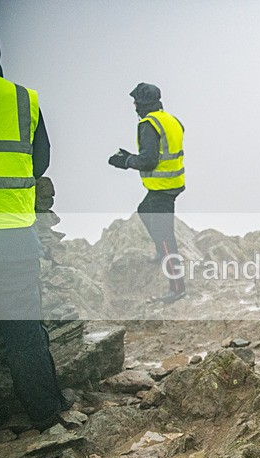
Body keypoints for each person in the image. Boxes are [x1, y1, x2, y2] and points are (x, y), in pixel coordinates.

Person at [0, 29, 74, 430]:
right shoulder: (22, 99)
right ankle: (45, 412)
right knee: (24, 329)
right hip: (12, 232)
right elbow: (38, 162)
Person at [108, 83, 186, 304]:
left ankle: (177, 288)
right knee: (143, 210)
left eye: (136, 103)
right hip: (172, 182)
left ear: (143, 104)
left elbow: (149, 160)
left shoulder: (148, 125)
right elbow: (161, 153)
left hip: (162, 188)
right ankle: (162, 253)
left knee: (165, 237)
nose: (134, 108)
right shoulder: (170, 120)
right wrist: (133, 155)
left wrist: (124, 161)